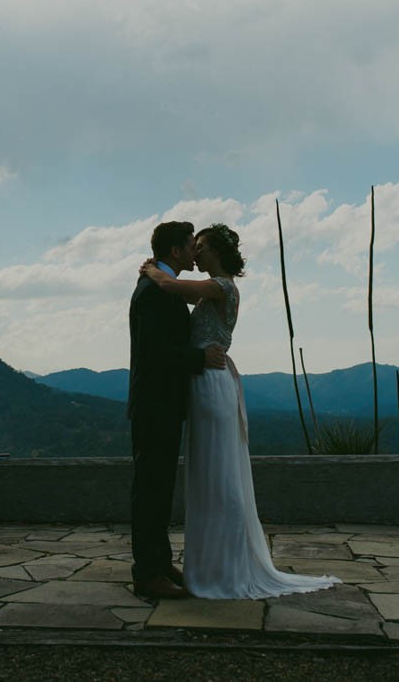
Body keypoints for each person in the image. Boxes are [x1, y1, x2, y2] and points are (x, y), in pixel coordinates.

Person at [142, 223, 340, 599]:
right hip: (205, 381)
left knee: (218, 475)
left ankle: (226, 567)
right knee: (210, 474)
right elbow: (174, 299)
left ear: (215, 249)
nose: (194, 252)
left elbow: (169, 287)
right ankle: (212, 563)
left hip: (211, 384)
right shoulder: (209, 291)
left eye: (199, 245)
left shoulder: (222, 287)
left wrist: (152, 268)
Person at [128, 220, 226, 599]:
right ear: (175, 252)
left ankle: (159, 561)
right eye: (190, 246)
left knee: (160, 488)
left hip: (163, 404)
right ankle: (146, 574)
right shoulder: (153, 292)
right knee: (151, 490)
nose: (193, 253)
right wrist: (200, 357)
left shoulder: (160, 286)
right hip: (154, 405)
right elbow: (155, 352)